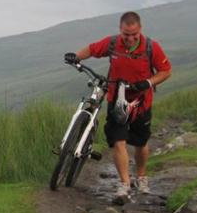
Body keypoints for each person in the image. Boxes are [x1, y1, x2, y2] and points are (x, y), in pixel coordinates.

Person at [63, 11, 171, 200]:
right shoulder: (113, 43)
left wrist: (148, 83)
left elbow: (165, 71)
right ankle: (124, 183)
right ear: (120, 30)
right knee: (118, 141)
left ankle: (141, 176)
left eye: (134, 35)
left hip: (140, 103)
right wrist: (76, 57)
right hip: (116, 99)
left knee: (140, 143)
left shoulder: (151, 47)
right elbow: (92, 49)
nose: (129, 38)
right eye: (126, 35)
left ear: (140, 30)